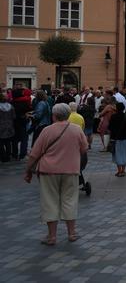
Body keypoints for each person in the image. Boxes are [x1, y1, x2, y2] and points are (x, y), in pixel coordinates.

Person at [24, 103, 88, 245]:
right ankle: (71, 233)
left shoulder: (46, 131)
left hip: (48, 171)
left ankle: (51, 236)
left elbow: (35, 154)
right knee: (70, 200)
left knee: (49, 201)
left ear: (54, 115)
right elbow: (84, 148)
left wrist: (28, 170)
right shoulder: (77, 130)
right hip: (71, 170)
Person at [109, 103, 126, 177]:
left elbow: (110, 127)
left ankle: (119, 171)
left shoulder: (113, 116)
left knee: (117, 154)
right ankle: (123, 170)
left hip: (116, 138)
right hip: (125, 137)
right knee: (125, 153)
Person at [0, 93, 15, 162]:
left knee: (1, 143)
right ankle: (8, 156)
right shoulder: (11, 106)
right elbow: (14, 117)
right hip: (9, 126)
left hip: (1, 126)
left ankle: (3, 156)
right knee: (8, 142)